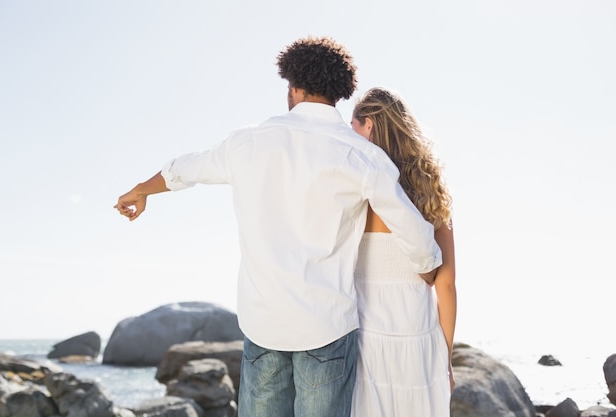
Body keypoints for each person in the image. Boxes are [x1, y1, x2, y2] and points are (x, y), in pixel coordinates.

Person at [114, 37, 442, 417]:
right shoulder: (362, 157)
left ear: (294, 87)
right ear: (339, 92)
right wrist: (428, 265)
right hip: (328, 329)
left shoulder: (248, 142)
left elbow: (186, 168)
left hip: (264, 325)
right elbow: (416, 236)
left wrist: (141, 190)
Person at [350, 86, 456, 417]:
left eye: (353, 129)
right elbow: (447, 284)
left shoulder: (354, 188)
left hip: (366, 339)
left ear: (368, 125)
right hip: (419, 338)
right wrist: (446, 356)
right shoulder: (430, 189)